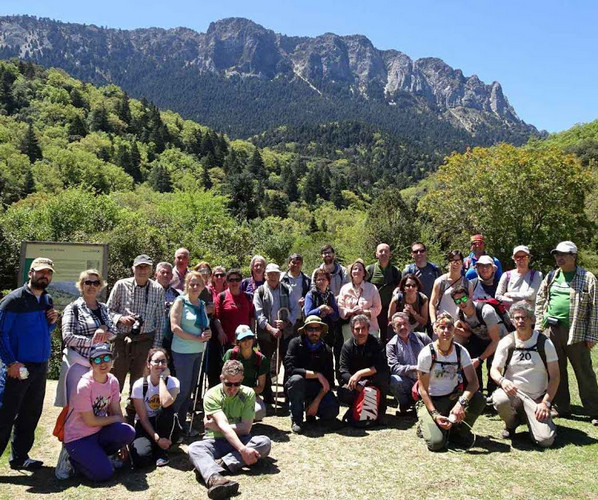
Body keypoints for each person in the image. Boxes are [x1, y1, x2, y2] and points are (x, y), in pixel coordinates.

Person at [54, 269, 117, 480]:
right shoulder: (73, 308)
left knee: (98, 408)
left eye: (95, 282)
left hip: (99, 366)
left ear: (100, 286)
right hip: (79, 364)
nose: (91, 285)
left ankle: (96, 451)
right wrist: (95, 341)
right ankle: (66, 455)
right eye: (87, 282)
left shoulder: (104, 308)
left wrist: (103, 330)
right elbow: (68, 336)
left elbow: (114, 331)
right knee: (74, 411)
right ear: (81, 285)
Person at [0, 257, 58, 470]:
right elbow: (1, 333)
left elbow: (45, 330)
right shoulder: (13, 300)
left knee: (30, 413)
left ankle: (19, 457)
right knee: (5, 415)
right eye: (41, 272)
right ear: (30, 273)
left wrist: (52, 322)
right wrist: (11, 362)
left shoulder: (46, 299)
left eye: (48, 273)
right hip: (17, 367)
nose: (45, 276)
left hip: (39, 366)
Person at [188, 360, 272, 500]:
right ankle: (215, 479)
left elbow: (245, 429)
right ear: (222, 378)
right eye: (228, 384)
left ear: (242, 380)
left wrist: (216, 427)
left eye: (237, 384)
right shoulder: (211, 395)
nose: (232, 388)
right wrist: (242, 449)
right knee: (194, 449)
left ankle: (217, 465)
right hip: (215, 441)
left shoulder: (249, 393)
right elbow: (224, 424)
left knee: (264, 442)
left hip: (240, 439)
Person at [535, 241, 598, 425]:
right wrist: (540, 325)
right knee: (556, 370)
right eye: (556, 254)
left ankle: (594, 411)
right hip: (551, 330)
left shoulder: (587, 278)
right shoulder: (552, 276)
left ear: (574, 256)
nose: (559, 258)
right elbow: (540, 299)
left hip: (576, 332)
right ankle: (561, 408)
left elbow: (596, 309)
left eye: (563, 254)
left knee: (584, 372)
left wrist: (592, 336)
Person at [62, 343, 135, 481]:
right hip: (79, 438)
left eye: (106, 358)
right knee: (104, 474)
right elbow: (90, 421)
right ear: (91, 364)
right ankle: (72, 460)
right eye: (97, 360)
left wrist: (122, 444)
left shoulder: (113, 381)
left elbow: (116, 411)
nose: (102, 363)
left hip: (99, 432)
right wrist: (116, 419)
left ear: (112, 360)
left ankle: (101, 456)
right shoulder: (84, 385)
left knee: (127, 431)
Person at [490, 302, 559, 447]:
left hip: (537, 399)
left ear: (532, 320)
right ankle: (511, 424)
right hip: (514, 396)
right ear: (512, 321)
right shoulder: (506, 342)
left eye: (524, 318)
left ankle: (535, 421)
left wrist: (546, 403)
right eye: (517, 318)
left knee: (545, 441)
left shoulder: (544, 343)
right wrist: (503, 381)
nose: (520, 321)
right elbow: (494, 370)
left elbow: (555, 377)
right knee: (499, 398)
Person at [107, 254, 165, 421]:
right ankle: (110, 416)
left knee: (139, 383)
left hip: (145, 341)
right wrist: (120, 318)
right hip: (121, 340)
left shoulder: (157, 289)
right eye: (139, 267)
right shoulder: (121, 285)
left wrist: (155, 349)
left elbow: (160, 320)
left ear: (151, 270)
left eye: (145, 267)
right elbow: (108, 311)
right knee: (115, 379)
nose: (142, 270)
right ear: (133, 268)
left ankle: (133, 417)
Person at [416, 313, 485, 451]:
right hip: (431, 400)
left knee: (478, 399)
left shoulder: (461, 351)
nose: (446, 331)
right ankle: (427, 424)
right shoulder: (427, 353)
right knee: (436, 444)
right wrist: (435, 414)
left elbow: (473, 383)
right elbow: (422, 389)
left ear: (454, 330)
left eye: (449, 327)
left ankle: (457, 432)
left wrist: (461, 403)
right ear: (435, 330)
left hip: (453, 398)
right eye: (442, 327)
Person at [170, 270, 211, 435]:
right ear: (186, 285)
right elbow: (175, 327)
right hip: (182, 351)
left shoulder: (201, 304)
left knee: (190, 390)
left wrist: (208, 334)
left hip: (197, 352)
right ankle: (170, 424)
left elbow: (205, 327)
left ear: (202, 287)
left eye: (198, 284)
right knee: (182, 390)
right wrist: (196, 338)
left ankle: (181, 424)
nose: (194, 287)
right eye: (191, 284)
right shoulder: (180, 301)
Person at [284, 315, 339, 433]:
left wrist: (316, 402)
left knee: (333, 410)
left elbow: (329, 381)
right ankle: (297, 420)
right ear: (305, 330)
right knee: (296, 380)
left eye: (317, 329)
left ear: (321, 331)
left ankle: (311, 412)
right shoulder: (294, 343)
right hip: (298, 386)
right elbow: (290, 369)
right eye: (310, 329)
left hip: (316, 389)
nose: (314, 332)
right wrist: (317, 374)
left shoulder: (327, 350)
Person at [254, 263, 298, 403]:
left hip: (286, 334)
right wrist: (271, 329)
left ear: (280, 275)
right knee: (265, 364)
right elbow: (259, 314)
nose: (273, 276)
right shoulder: (259, 291)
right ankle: (267, 395)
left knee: (288, 362)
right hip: (266, 335)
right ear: (265, 275)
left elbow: (296, 310)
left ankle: (288, 393)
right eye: (270, 274)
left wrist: (286, 323)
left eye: (276, 274)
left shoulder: (287, 289)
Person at [452, 285, 505, 397]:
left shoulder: (486, 311)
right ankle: (477, 391)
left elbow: (496, 340)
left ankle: (493, 393)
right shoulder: (460, 313)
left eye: (464, 299)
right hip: (481, 339)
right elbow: (469, 333)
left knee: (493, 364)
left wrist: (480, 359)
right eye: (457, 301)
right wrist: (456, 330)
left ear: (470, 297)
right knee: (469, 356)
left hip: (499, 340)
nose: (461, 303)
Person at [131, 348, 181, 466]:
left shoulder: (173, 382)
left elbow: (166, 402)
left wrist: (162, 379)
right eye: (156, 361)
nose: (160, 365)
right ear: (149, 364)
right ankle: (157, 444)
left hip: (165, 423)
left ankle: (162, 451)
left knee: (165, 409)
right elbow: (143, 418)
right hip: (146, 424)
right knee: (140, 459)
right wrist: (157, 439)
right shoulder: (139, 385)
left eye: (163, 361)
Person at [338, 315, 389, 422]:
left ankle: (380, 411)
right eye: (357, 329)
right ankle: (354, 409)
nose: (360, 332)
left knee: (383, 377)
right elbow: (343, 370)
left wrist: (360, 373)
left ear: (368, 329)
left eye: (363, 328)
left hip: (373, 380)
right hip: (355, 383)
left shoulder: (376, 343)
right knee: (344, 392)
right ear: (352, 330)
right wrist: (357, 385)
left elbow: (381, 366)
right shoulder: (347, 346)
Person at [387, 312, 432, 413]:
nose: (403, 327)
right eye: (399, 325)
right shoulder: (391, 345)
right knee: (394, 380)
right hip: (408, 381)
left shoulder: (422, 338)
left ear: (410, 325)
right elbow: (394, 368)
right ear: (394, 329)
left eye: (405, 323)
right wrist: (415, 368)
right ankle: (405, 405)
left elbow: (435, 356)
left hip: (426, 378)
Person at [222, 325, 269, 421]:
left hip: (249, 393)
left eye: (249, 338)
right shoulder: (231, 354)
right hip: (230, 391)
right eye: (243, 339)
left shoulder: (261, 359)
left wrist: (242, 392)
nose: (247, 341)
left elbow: (260, 387)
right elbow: (223, 379)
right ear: (237, 341)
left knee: (259, 413)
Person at [337, 259, 382, 340]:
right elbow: (340, 308)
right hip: (349, 329)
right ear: (351, 272)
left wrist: (364, 312)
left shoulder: (372, 288)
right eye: (355, 269)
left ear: (364, 273)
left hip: (370, 328)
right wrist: (351, 311)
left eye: (360, 269)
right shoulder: (344, 288)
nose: (357, 271)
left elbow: (378, 308)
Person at [366, 243, 401, 343]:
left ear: (390, 254)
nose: (383, 253)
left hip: (389, 309)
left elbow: (400, 287)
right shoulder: (370, 270)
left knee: (388, 337)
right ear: (376, 254)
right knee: (372, 336)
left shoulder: (395, 271)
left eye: (386, 251)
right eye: (381, 251)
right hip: (373, 310)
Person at [214, 269, 255, 350]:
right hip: (227, 340)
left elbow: (252, 317)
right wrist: (221, 332)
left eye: (237, 280)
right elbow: (216, 318)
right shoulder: (221, 296)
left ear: (241, 281)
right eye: (231, 280)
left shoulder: (248, 297)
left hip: (245, 339)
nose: (234, 282)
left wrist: (252, 335)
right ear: (227, 281)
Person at [429, 250, 473, 326]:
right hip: (442, 325)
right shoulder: (440, 282)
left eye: (458, 261)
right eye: (452, 261)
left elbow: (470, 304)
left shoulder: (468, 284)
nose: (455, 264)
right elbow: (432, 304)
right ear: (448, 263)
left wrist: (463, 300)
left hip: (460, 326)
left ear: (462, 263)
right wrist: (434, 322)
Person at [154, 262, 181, 372]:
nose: (165, 275)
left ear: (171, 276)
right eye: (162, 272)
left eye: (168, 273)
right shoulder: (148, 290)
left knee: (167, 366)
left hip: (168, 336)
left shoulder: (177, 295)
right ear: (156, 274)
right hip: (151, 333)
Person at [206, 265, 228, 388]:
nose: (219, 277)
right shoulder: (208, 291)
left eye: (222, 275)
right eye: (216, 275)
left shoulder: (230, 289)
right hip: (212, 328)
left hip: (227, 326)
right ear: (212, 277)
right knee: (213, 362)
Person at [402, 241, 442, 306]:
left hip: (432, 306)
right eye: (415, 252)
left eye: (422, 251)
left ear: (426, 252)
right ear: (412, 254)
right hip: (414, 308)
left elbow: (441, 289)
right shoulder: (408, 271)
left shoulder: (435, 269)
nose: (419, 253)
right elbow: (403, 291)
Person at [281, 253, 311, 328]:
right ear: (289, 263)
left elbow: (311, 296)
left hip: (301, 318)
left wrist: (305, 300)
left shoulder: (307, 280)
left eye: (298, 263)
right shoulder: (281, 279)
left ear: (301, 265)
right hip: (285, 318)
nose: (296, 265)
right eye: (293, 262)